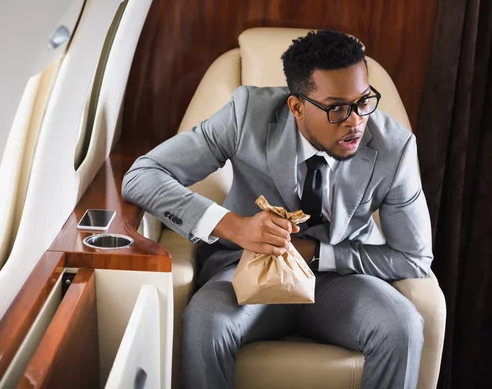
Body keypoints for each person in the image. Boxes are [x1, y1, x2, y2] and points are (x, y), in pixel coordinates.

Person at [122, 30, 434, 389]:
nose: (355, 121)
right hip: (245, 269)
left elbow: (413, 258)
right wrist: (233, 225)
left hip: (341, 282)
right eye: (337, 108)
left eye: (364, 101)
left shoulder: (395, 148)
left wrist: (318, 254)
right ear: (297, 107)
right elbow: (142, 176)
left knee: (402, 326)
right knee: (205, 320)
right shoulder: (246, 115)